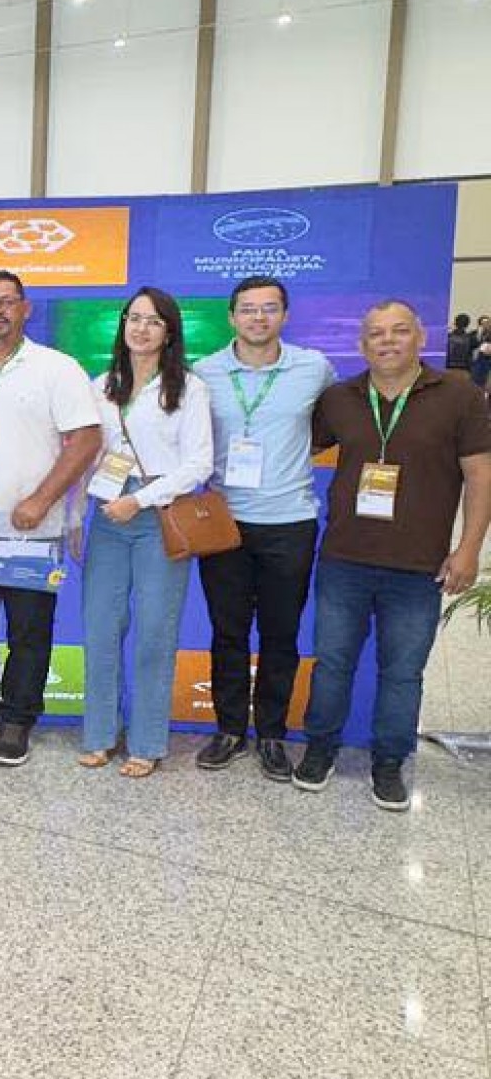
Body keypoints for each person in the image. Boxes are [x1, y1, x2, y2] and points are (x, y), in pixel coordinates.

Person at [294, 299, 491, 808]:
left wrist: (468, 549)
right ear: (363, 346)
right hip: (344, 558)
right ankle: (320, 749)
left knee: (402, 672)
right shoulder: (340, 398)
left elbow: (479, 476)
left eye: (399, 331)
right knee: (332, 664)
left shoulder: (459, 394)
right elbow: (294, 448)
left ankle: (389, 761)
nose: (387, 341)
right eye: (376, 334)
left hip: (419, 565)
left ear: (420, 337)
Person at [0, 269, 100, 766]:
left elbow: (87, 439)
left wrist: (42, 500)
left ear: (25, 309)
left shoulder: (57, 367)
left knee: (29, 633)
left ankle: (17, 719)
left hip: (31, 531)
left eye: (7, 302)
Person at [192, 276, 333, 780]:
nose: (258, 317)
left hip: (289, 521)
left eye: (269, 308)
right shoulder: (204, 372)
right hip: (223, 522)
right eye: (248, 309)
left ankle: (272, 734)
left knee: (281, 633)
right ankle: (230, 730)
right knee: (227, 631)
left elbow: (331, 427)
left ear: (285, 315)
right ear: (231, 317)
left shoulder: (314, 368)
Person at [78, 288, 214, 779]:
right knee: (100, 628)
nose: (141, 328)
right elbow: (85, 455)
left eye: (153, 321)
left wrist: (140, 499)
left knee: (156, 631)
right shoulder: (101, 385)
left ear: (169, 332)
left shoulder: (189, 389)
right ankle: (99, 734)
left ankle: (148, 742)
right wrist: (75, 517)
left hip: (161, 514)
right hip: (106, 514)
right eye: (133, 318)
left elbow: (199, 464)